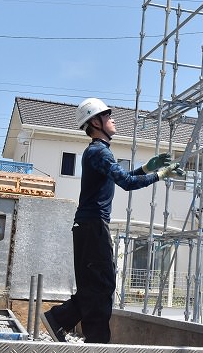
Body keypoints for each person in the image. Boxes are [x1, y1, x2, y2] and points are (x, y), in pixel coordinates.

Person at [42, 97, 184, 343]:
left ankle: (60, 320)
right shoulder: (99, 151)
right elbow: (126, 183)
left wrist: (146, 169)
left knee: (96, 285)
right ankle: (93, 340)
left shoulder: (99, 153)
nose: (113, 119)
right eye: (107, 116)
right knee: (103, 285)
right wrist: (160, 175)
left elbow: (124, 175)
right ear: (95, 122)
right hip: (93, 226)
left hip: (89, 226)